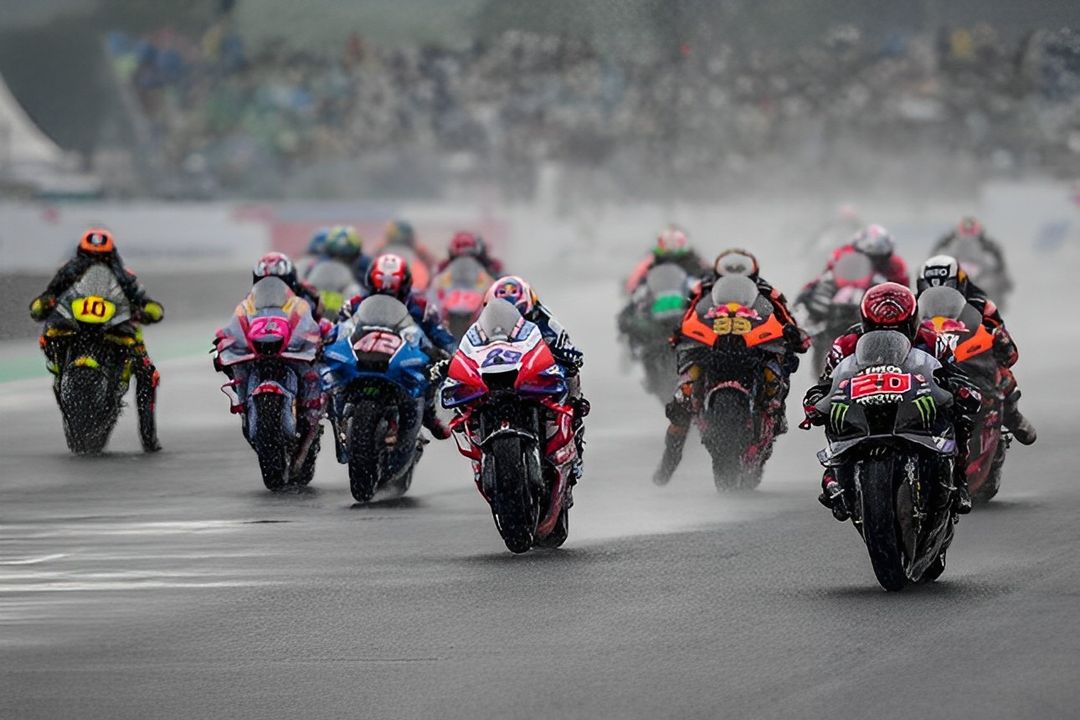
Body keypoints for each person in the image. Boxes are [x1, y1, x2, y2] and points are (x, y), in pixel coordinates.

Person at [801, 282, 982, 515]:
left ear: (912, 321)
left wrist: (960, 390)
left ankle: (959, 481)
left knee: (961, 419)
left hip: (916, 408)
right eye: (878, 329)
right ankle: (835, 479)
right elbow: (826, 383)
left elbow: (955, 374)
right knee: (834, 418)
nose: (888, 335)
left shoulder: (933, 341)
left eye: (898, 329)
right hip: (864, 410)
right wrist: (816, 400)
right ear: (866, 323)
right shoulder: (845, 344)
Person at [652, 250, 808, 485]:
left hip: (754, 348)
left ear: (753, 276)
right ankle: (669, 460)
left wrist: (792, 332)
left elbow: (787, 319)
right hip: (710, 348)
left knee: (775, 371)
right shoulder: (702, 291)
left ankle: (774, 412)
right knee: (682, 398)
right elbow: (686, 317)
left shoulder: (768, 292)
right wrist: (678, 333)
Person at [29, 228, 165, 452]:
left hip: (114, 325)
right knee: (49, 339)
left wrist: (148, 309)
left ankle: (148, 437)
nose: (96, 262)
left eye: (101, 257)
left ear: (111, 255)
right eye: (90, 256)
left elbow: (142, 298)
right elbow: (49, 295)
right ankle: (59, 370)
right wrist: (46, 303)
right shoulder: (68, 271)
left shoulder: (124, 275)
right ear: (81, 253)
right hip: (75, 324)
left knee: (147, 373)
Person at [478, 275, 589, 482]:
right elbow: (466, 349)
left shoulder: (544, 319)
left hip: (535, 374)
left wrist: (569, 355)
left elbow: (565, 344)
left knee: (569, 378)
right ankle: (480, 448)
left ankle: (574, 440)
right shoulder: (482, 325)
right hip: (498, 377)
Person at [916, 255, 1035, 445]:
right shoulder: (914, 305)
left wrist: (998, 337)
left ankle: (1012, 417)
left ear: (959, 283)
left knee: (1002, 373)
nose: (936, 292)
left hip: (970, 355)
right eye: (928, 286)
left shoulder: (981, 304)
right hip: (928, 357)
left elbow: (999, 333)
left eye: (946, 286)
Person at [338, 253, 457, 438]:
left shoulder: (420, 306)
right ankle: (334, 413)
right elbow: (338, 327)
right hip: (363, 353)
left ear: (404, 285)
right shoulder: (355, 303)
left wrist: (453, 354)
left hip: (403, 356)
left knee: (430, 371)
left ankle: (429, 415)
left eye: (392, 291)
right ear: (371, 284)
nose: (386, 294)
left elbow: (440, 334)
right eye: (380, 290)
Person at [796, 224, 910, 317]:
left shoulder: (896, 264)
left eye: (878, 258)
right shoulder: (841, 254)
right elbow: (826, 274)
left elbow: (904, 290)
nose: (873, 262)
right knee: (812, 291)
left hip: (875, 298)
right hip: (843, 289)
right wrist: (808, 290)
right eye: (868, 257)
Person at [929, 217, 1013, 298]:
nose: (968, 232)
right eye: (965, 230)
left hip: (977, 265)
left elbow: (996, 254)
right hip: (959, 262)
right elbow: (938, 249)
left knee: (998, 282)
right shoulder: (951, 240)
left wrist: (999, 269)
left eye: (971, 230)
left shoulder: (986, 243)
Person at [624, 224, 711, 295]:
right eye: (668, 241)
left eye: (674, 241)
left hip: (684, 296)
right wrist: (632, 288)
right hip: (656, 296)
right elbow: (635, 279)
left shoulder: (692, 258)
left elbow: (706, 271)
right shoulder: (652, 259)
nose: (671, 245)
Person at [252, 252, 325, 320]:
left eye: (277, 284)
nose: (271, 288)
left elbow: (314, 322)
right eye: (265, 285)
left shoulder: (305, 294)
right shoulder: (250, 299)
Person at [435, 231, 506, 278]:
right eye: (460, 256)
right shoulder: (444, 266)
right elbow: (433, 284)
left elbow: (505, 282)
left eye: (469, 255)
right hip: (451, 296)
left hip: (482, 296)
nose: (465, 260)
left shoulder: (492, 266)